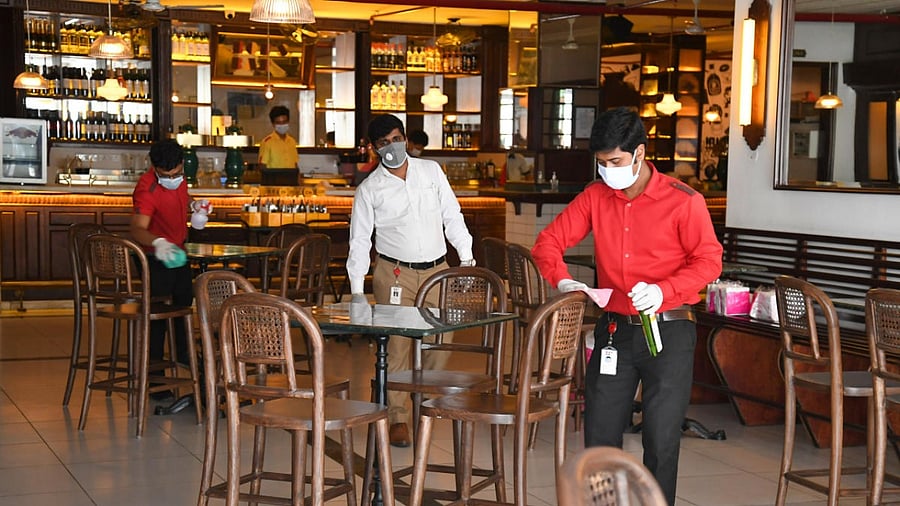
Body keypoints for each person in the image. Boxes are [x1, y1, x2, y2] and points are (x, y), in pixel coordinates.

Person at [531, 107, 722, 505]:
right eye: (601, 163)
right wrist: (562, 278)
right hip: (615, 331)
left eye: (615, 162)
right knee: (599, 432)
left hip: (669, 330)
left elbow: (709, 261)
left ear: (639, 153)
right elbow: (548, 242)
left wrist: (665, 290)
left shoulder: (683, 201)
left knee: (661, 438)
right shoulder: (595, 196)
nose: (607, 171)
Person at [347, 114, 476, 447]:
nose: (392, 147)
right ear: (374, 149)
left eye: (396, 138)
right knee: (398, 347)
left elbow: (452, 213)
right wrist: (358, 292)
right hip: (394, 273)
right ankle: (399, 419)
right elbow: (360, 241)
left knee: (439, 343)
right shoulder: (369, 189)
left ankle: (427, 406)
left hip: (436, 271)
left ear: (405, 137)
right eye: (384, 143)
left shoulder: (431, 171)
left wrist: (466, 256)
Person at [130, 139, 211, 383]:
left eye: (176, 173)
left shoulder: (180, 177)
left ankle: (187, 361)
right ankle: (155, 378)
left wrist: (194, 204)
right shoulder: (147, 189)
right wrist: (158, 242)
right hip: (155, 258)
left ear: (181, 164)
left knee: (184, 307)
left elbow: (182, 195)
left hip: (178, 253)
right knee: (158, 318)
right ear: (154, 167)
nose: (172, 178)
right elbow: (137, 228)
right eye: (166, 175)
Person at [257, 105, 300, 184]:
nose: (282, 125)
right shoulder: (267, 142)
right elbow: (262, 166)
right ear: (273, 124)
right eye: (278, 123)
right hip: (273, 183)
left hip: (290, 183)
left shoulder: (292, 141)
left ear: (288, 122)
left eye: (284, 122)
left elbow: (295, 164)